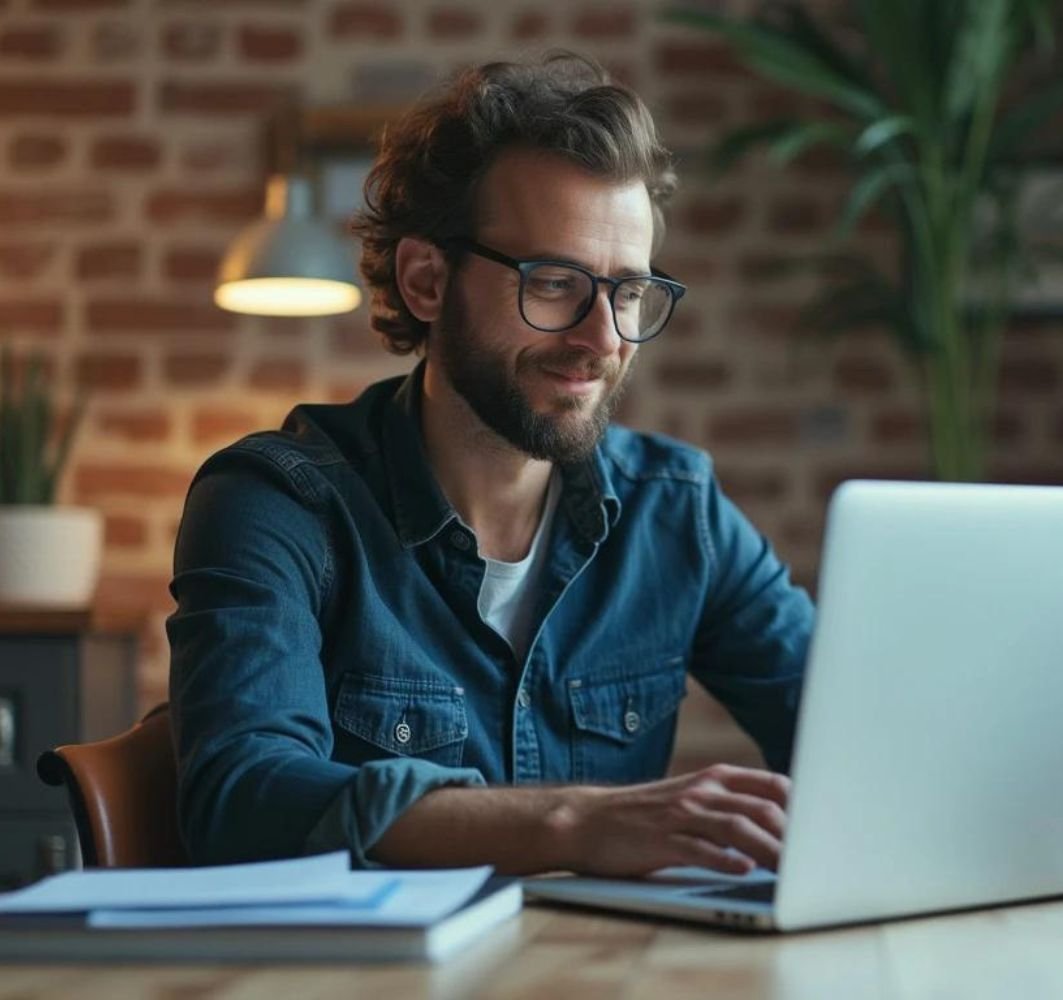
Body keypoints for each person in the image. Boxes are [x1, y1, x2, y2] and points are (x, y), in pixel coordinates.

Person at [167, 56, 814, 877]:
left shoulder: (676, 510)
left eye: (628, 293)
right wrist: (573, 822)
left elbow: (847, 736)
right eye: (554, 284)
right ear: (426, 280)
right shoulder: (278, 504)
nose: (605, 340)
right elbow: (242, 801)